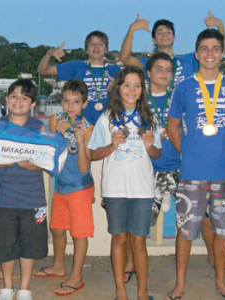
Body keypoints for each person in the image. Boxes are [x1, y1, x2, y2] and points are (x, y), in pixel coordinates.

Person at [120, 11, 225, 280]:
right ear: (149, 70)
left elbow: (215, 50)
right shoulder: (141, 88)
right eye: (159, 32)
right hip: (149, 165)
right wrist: (132, 29)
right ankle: (130, 263)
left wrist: (221, 25)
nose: (164, 72)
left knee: (208, 217)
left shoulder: (188, 63)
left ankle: (216, 257)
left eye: (168, 31)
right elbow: (124, 59)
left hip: (183, 164)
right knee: (138, 221)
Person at [166, 29, 225, 300]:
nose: (209, 53)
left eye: (215, 48)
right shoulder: (184, 87)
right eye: (204, 48)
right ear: (197, 53)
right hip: (191, 173)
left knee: (223, 232)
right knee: (186, 232)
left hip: (224, 173)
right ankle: (180, 284)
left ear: (222, 53)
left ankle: (221, 281)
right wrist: (187, 152)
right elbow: (173, 126)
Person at [89, 66, 161, 300]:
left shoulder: (150, 118)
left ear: (142, 89)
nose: (132, 90)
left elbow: (157, 154)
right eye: (127, 85)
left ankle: (142, 292)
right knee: (119, 238)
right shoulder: (106, 118)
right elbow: (92, 154)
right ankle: (121, 292)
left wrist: (150, 145)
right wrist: (112, 145)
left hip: (142, 189)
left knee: (139, 241)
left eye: (137, 85)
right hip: (115, 188)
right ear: (118, 87)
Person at [0, 79, 48, 300]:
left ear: (32, 104)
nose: (18, 101)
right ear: (6, 99)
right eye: (14, 96)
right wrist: (0, 162)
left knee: (29, 244)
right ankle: (6, 287)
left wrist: (34, 165)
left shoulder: (38, 127)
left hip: (32, 197)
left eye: (24, 97)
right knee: (5, 244)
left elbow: (46, 160)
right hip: (3, 197)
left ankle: (24, 288)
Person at [34, 79, 94, 297]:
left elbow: (84, 167)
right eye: (66, 101)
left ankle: (76, 277)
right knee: (57, 228)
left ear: (84, 104)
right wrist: (58, 135)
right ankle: (59, 266)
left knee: (79, 234)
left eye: (76, 102)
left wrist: (80, 142)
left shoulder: (88, 128)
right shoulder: (54, 120)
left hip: (79, 186)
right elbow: (52, 156)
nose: (70, 106)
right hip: (60, 185)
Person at [38, 30, 120, 125]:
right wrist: (49, 54)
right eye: (92, 44)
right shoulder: (77, 66)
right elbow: (43, 70)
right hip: (81, 125)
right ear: (86, 49)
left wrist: (118, 86)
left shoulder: (115, 69)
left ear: (106, 49)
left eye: (100, 44)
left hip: (107, 124)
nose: (96, 47)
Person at [144, 52, 180, 227]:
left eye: (168, 70)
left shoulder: (179, 97)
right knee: (143, 225)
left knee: (195, 219)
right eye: (159, 69)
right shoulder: (138, 99)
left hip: (179, 168)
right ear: (149, 72)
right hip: (148, 170)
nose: (164, 73)